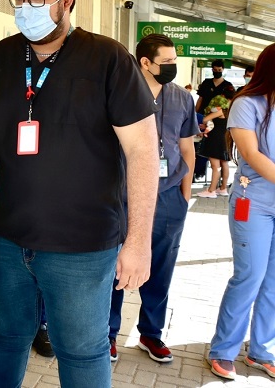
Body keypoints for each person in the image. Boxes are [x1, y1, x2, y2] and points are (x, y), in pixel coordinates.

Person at [0, 0, 158, 388]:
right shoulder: (1, 57)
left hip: (82, 249)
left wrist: (139, 242)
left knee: (82, 353)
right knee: (2, 342)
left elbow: (143, 153)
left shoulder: (109, 59)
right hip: (6, 240)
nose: (25, 8)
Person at [108, 34, 197, 364]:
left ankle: (151, 333)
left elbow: (187, 148)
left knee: (161, 268)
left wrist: (184, 197)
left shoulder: (182, 99)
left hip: (169, 197)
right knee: (118, 266)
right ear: (145, 62)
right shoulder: (121, 94)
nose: (173, 67)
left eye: (175, 61)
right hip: (125, 197)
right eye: (167, 62)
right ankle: (109, 332)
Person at [207, 43, 275, 381]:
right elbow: (253, 154)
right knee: (249, 276)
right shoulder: (246, 104)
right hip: (254, 203)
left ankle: (261, 350)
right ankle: (223, 349)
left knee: (274, 282)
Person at [197, 87, 235, 198]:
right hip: (225, 137)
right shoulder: (232, 110)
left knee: (215, 165)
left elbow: (204, 119)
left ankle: (211, 190)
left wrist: (208, 118)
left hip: (215, 138)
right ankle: (223, 188)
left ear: (222, 96)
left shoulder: (220, 110)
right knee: (224, 163)